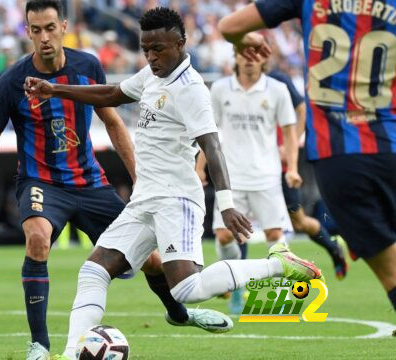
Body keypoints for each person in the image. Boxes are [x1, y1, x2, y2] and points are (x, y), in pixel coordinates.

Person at [25, 8, 323, 359]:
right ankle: (73, 353)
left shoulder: (191, 88)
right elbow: (112, 94)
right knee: (93, 270)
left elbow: (212, 145)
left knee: (186, 288)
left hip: (176, 199)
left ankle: (279, 264)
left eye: (159, 49)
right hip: (144, 199)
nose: (151, 57)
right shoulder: (154, 74)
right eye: (146, 49)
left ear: (180, 44)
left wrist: (226, 204)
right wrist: (54, 89)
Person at [0, 2, 230, 359]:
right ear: (27, 32)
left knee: (154, 262)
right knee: (37, 240)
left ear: (63, 26)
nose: (44, 37)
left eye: (50, 27)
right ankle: (39, 345)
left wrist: (138, 176)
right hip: (41, 183)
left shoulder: (87, 65)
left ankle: (180, 313)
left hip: (89, 182)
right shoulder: (12, 82)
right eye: (35, 30)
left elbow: (113, 122)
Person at [218, 0, 396, 314]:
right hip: (387, 141)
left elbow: (230, 27)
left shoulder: (279, 84)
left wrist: (290, 157)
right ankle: (238, 289)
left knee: (294, 224)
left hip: (331, 157)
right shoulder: (221, 89)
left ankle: (330, 250)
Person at [195, 46, 301, 314]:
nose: (250, 60)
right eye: (245, 54)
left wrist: (292, 167)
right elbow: (210, 131)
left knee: (275, 235)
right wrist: (200, 166)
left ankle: (282, 299)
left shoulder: (277, 89)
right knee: (223, 237)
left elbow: (289, 132)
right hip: (230, 177)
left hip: (266, 176)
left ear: (265, 59)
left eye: (257, 55)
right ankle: (235, 287)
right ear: (236, 57)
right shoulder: (219, 88)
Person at [267, 69, 348, 280]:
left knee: (299, 222)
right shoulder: (235, 86)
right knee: (238, 227)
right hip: (252, 169)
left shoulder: (278, 78)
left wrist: (290, 143)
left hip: (282, 168)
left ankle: (333, 248)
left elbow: (302, 108)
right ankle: (239, 288)